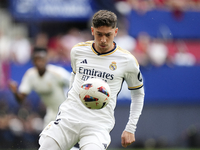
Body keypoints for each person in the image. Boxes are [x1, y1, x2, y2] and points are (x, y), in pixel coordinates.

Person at [39, 10, 145, 150]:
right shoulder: (77, 51)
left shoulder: (127, 60)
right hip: (69, 118)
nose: (103, 40)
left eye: (108, 35)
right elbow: (74, 78)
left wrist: (130, 127)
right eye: (99, 34)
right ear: (92, 30)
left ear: (116, 32)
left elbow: (138, 93)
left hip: (97, 124)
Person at [8, 47, 79, 150]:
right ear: (33, 61)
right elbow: (21, 99)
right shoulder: (30, 75)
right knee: (46, 143)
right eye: (37, 59)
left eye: (42, 59)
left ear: (46, 60)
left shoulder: (56, 73)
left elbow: (75, 83)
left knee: (62, 145)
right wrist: (15, 92)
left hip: (66, 112)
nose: (39, 62)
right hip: (51, 113)